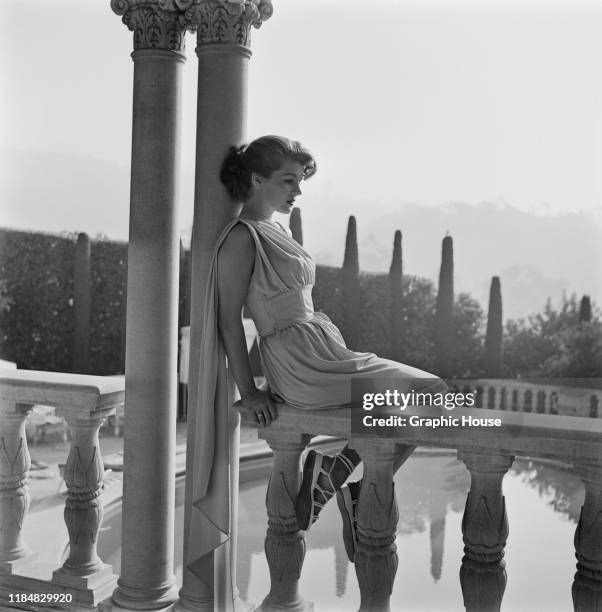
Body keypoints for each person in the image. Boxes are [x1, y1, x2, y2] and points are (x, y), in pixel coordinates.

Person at [204, 135, 447, 562]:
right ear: (257, 179)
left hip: (325, 348)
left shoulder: (274, 228)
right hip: (300, 363)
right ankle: (337, 479)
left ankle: (336, 476)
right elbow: (228, 321)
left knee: (432, 395)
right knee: (428, 395)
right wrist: (252, 390)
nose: (298, 191)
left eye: (300, 181)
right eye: (288, 180)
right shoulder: (241, 238)